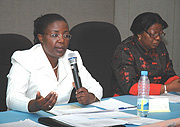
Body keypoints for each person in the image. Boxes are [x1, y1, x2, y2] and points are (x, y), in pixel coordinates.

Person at [6, 13, 103, 113]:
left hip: (62, 116)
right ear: (41, 38)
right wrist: (36, 104)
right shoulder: (25, 58)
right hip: (28, 117)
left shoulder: (72, 57)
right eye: (54, 35)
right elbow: (12, 98)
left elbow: (96, 87)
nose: (61, 40)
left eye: (66, 35)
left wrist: (90, 97)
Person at [111, 12, 180, 96]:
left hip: (157, 97)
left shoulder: (160, 47)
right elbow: (130, 87)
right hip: (126, 100)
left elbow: (169, 75)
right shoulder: (125, 50)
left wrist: (176, 83)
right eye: (153, 34)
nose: (158, 38)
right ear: (139, 34)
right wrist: (166, 88)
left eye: (160, 34)